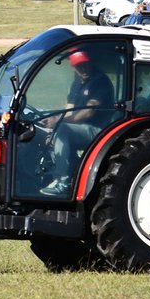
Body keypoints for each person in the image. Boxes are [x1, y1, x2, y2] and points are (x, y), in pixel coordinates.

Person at [41, 49, 116, 196]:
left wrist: (58, 123)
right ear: (73, 67)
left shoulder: (101, 81)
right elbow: (69, 111)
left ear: (90, 63)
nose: (83, 69)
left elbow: (88, 111)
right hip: (81, 128)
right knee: (50, 130)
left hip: (99, 131)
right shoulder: (77, 82)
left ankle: (62, 182)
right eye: (79, 66)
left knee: (62, 129)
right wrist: (52, 128)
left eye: (85, 64)